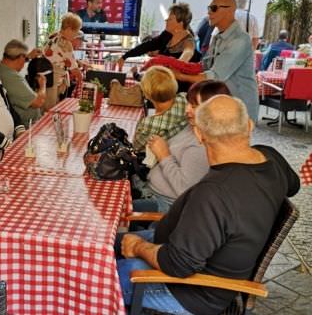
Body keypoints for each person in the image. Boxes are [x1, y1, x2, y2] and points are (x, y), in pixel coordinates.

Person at [117, 95, 300, 315]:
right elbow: (294, 185)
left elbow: (177, 264)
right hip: (183, 250)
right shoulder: (271, 158)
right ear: (249, 125)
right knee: (106, 242)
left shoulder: (214, 193)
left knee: (95, 276)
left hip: (193, 292)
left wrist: (138, 247)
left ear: (199, 134)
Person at [132, 80, 230, 213]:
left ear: (213, 110)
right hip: (151, 190)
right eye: (188, 103)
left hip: (165, 204)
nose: (187, 110)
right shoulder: (193, 126)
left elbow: (183, 189)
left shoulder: (201, 146)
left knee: (113, 212)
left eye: (194, 106)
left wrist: (164, 155)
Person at [172, 0, 259, 122]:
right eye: (209, 8)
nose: (209, 12)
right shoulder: (219, 36)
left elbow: (215, 76)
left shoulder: (240, 40)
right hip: (222, 105)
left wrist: (180, 76)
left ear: (230, 10)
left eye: (213, 8)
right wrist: (178, 65)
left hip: (239, 109)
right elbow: (204, 65)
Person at [117, 3, 201, 92]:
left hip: (175, 92)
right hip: (159, 87)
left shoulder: (189, 41)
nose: (166, 20)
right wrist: (125, 56)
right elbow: (148, 45)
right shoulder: (167, 35)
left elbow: (188, 53)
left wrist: (177, 64)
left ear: (180, 23)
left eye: (170, 19)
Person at [133, 66, 188, 153]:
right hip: (183, 150)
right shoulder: (185, 99)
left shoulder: (148, 123)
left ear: (147, 94)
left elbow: (136, 147)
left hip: (158, 161)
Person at [0, 39, 46, 127]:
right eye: (24, 58)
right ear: (20, 57)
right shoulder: (12, 77)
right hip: (27, 126)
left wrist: (27, 57)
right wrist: (43, 85)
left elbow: (16, 59)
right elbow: (38, 102)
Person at [43, 12, 82, 109]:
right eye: (76, 31)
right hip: (53, 79)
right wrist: (81, 78)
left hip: (46, 77)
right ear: (69, 29)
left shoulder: (53, 37)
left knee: (47, 107)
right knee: (51, 109)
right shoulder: (65, 44)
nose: (76, 35)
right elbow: (73, 68)